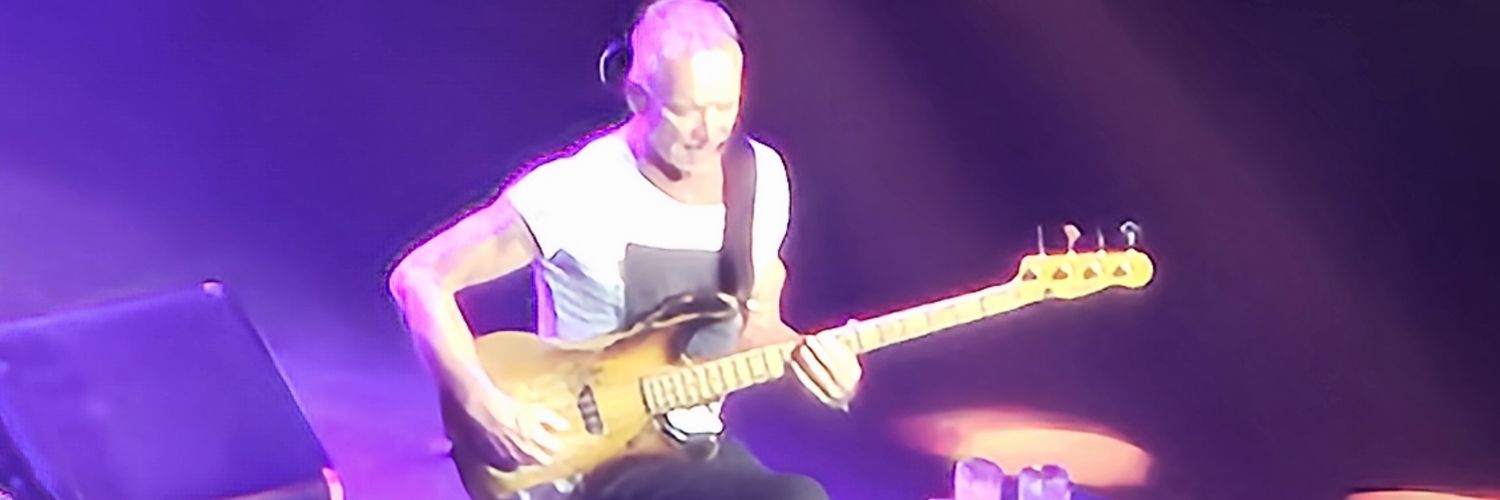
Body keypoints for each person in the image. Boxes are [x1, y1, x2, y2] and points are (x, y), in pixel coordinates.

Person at [386, 1, 862, 498]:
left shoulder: (761, 179)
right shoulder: (577, 190)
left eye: (725, 107)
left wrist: (814, 363)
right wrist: (479, 400)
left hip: (691, 449)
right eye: (685, 111)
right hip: (591, 460)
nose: (709, 133)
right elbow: (420, 277)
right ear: (638, 97)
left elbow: (753, 324)